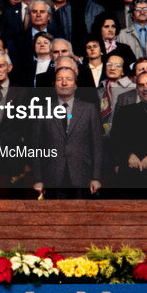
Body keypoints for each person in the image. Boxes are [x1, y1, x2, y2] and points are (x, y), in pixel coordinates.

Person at [30, 66, 103, 199]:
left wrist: (96, 177)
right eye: (59, 79)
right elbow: (35, 147)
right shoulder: (42, 110)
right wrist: (38, 179)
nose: (64, 83)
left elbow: (97, 146)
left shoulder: (89, 109)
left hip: (82, 175)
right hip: (52, 176)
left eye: (69, 79)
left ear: (75, 85)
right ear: (54, 84)